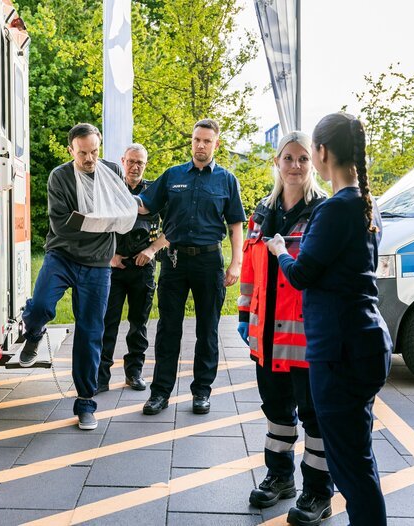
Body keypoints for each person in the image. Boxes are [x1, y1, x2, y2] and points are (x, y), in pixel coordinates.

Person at [266, 113, 393, 526]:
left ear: (321, 153)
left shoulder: (336, 209)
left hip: (341, 350)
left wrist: (281, 250)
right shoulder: (362, 204)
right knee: (358, 460)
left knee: (350, 468)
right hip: (362, 342)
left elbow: (302, 274)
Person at [238, 131, 333, 525]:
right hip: (267, 338)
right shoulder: (261, 211)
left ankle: (317, 494)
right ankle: (280, 478)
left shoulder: (324, 212)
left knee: (315, 418)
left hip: (306, 338)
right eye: (288, 158)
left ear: (313, 164)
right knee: (276, 412)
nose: (295, 165)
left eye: (303, 159)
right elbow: (249, 267)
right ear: (276, 163)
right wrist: (244, 316)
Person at [136, 119, 246, 416]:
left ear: (216, 145)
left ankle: (201, 392)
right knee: (168, 329)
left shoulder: (226, 180)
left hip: (209, 263)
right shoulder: (172, 176)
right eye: (197, 139)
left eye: (207, 141)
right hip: (174, 261)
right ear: (192, 141)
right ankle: (160, 393)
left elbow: (236, 225)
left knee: (207, 329)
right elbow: (144, 205)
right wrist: (115, 196)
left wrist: (237, 263)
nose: (200, 145)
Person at [18, 123, 124, 431]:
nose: (90, 159)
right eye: (83, 153)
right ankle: (35, 334)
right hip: (62, 256)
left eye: (94, 151)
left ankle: (86, 403)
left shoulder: (112, 172)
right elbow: (63, 225)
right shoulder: (60, 177)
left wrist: (96, 222)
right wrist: (101, 223)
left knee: (90, 333)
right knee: (39, 307)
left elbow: (122, 214)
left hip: (98, 264)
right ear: (70, 150)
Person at [96, 143, 168, 394]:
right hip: (115, 267)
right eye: (131, 161)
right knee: (108, 323)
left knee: (139, 324)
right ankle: (101, 376)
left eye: (140, 162)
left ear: (145, 165)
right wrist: (110, 255)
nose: (135, 166)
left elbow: (173, 228)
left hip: (143, 268)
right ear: (122, 161)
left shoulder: (155, 193)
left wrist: (151, 251)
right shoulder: (111, 190)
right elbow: (99, 224)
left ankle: (134, 372)